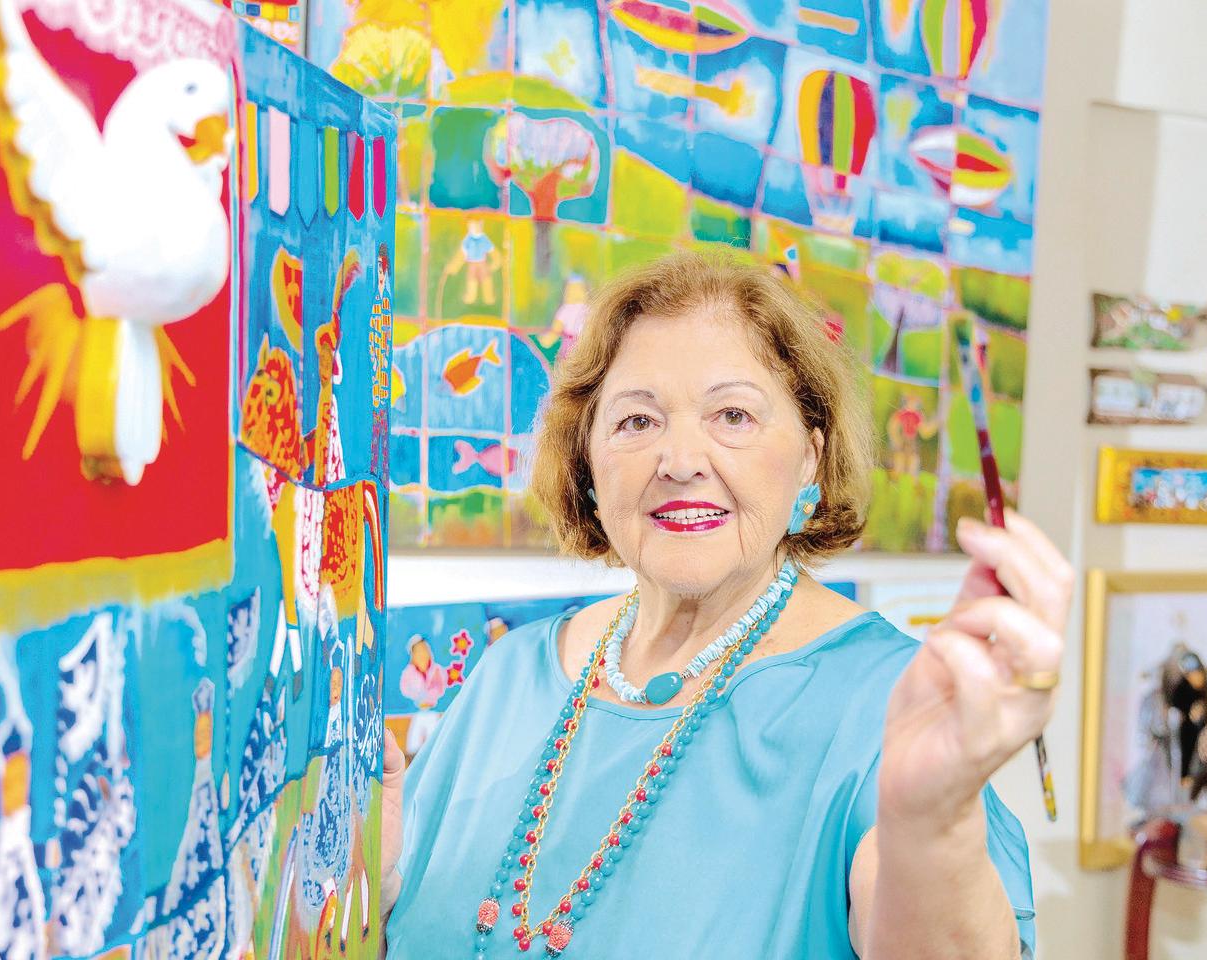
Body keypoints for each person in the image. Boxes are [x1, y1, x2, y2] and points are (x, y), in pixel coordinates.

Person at [380, 251, 1069, 958]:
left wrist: (934, 821)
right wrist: (362, 891)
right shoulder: (509, 676)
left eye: (733, 415)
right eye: (637, 421)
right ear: (587, 464)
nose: (680, 461)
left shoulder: (890, 705)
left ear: (809, 457)